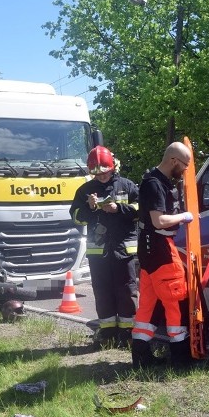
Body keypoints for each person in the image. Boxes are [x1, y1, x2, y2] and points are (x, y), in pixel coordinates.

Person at [131, 142, 196, 370]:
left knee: (147, 305)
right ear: (173, 161)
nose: (185, 170)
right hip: (161, 250)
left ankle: (140, 357)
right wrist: (184, 216)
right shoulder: (155, 184)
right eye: (184, 165)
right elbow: (159, 220)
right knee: (176, 301)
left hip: (150, 252)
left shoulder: (155, 181)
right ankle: (181, 358)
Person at [70, 146, 139, 349]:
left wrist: (119, 208)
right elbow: (76, 218)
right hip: (98, 253)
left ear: (113, 167)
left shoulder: (127, 186)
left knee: (127, 291)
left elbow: (141, 210)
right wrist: (89, 208)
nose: (101, 176)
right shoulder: (84, 191)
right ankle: (107, 333)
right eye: (97, 174)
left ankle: (128, 333)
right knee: (103, 292)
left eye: (105, 172)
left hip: (125, 251)